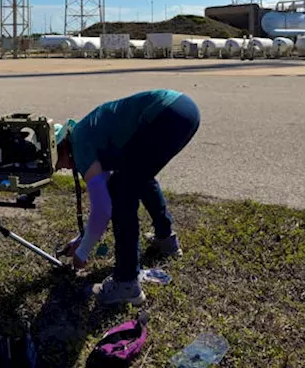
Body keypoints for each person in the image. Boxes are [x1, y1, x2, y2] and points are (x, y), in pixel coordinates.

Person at [54, 89, 201, 306]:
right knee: (138, 176)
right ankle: (166, 239)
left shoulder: (81, 146)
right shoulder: (86, 136)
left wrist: (83, 252)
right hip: (183, 109)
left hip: (164, 115)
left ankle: (126, 283)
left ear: (62, 148)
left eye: (60, 163)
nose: (63, 169)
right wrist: (80, 240)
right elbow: (101, 203)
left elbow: (103, 210)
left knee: (122, 191)